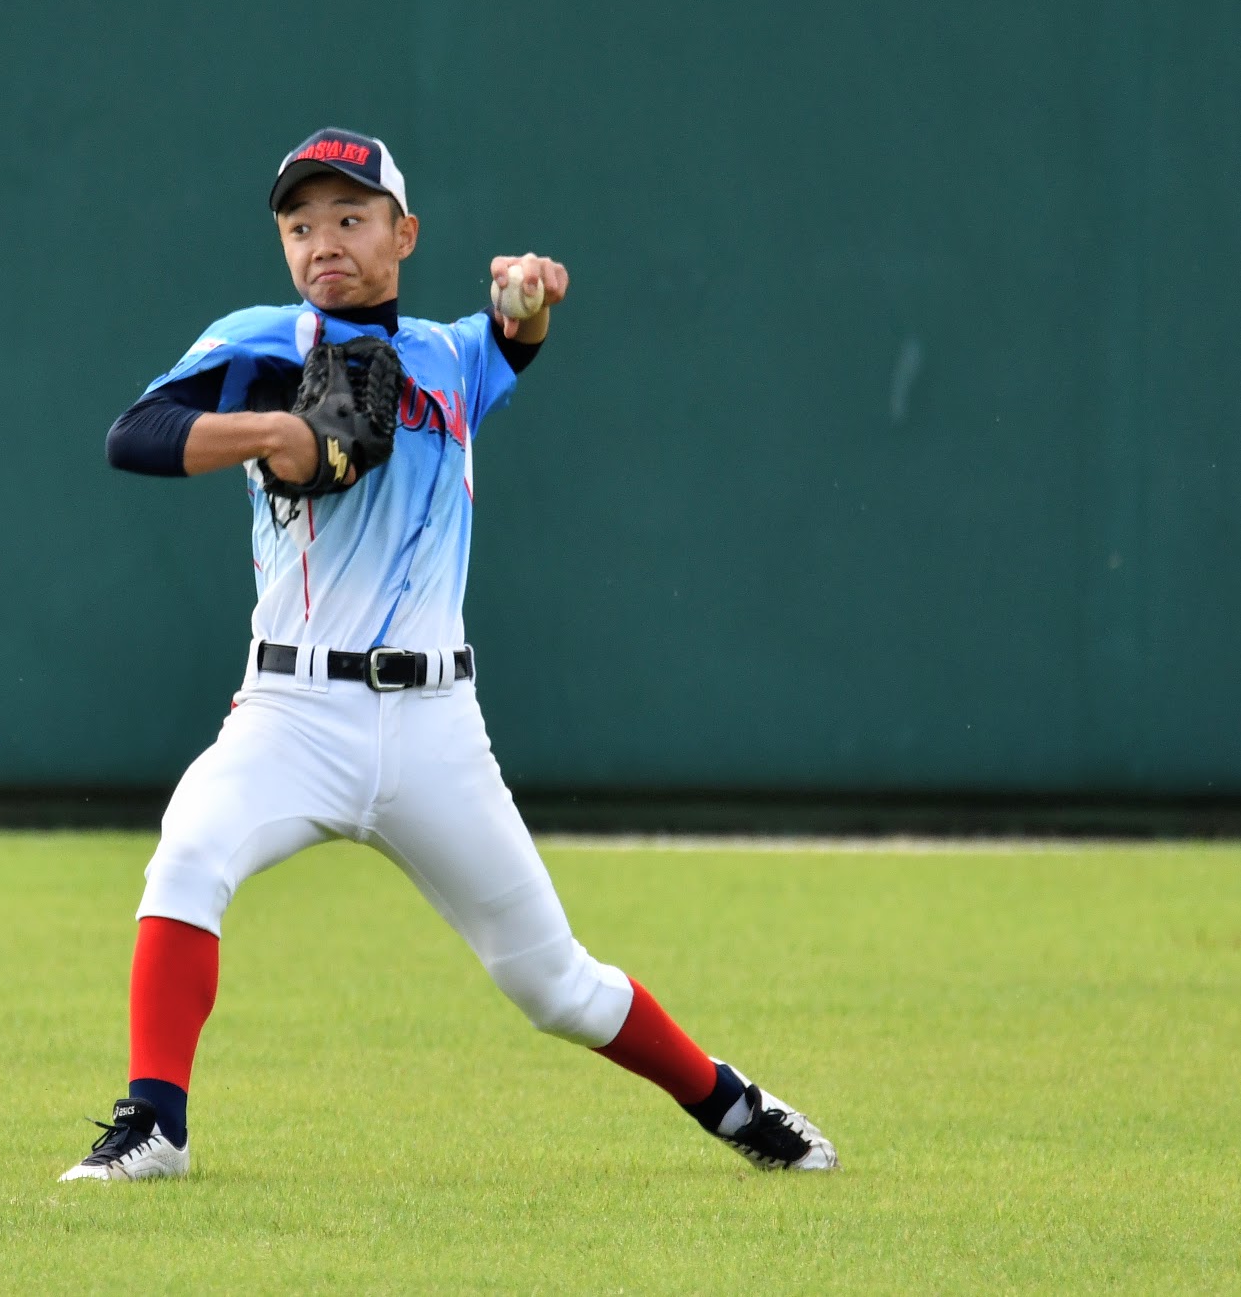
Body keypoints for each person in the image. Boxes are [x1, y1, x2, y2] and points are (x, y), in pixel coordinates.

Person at [62, 127, 838, 1182]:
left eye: (350, 217)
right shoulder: (263, 339)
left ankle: (732, 1102)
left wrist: (529, 295)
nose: (323, 241)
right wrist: (273, 434)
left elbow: (516, 336)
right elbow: (134, 435)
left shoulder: (450, 354)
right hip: (293, 708)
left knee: (554, 985)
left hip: (435, 727)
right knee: (188, 854)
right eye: (300, 224)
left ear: (404, 234)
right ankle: (157, 1124)